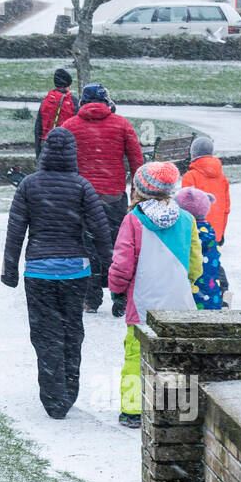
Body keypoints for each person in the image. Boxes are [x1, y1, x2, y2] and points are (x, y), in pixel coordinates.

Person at [1, 127, 114, 419]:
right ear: (72, 155)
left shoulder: (28, 185)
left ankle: (53, 398)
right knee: (71, 330)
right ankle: (69, 389)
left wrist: (10, 270)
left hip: (39, 271)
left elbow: (15, 232)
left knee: (45, 333)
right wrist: (110, 270)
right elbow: (101, 231)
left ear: (45, 152)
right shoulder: (82, 186)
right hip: (75, 272)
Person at [107, 161, 203, 429]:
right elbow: (195, 262)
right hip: (179, 301)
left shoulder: (133, 220)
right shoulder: (187, 219)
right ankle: (178, 406)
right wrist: (188, 283)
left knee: (135, 357)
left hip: (142, 302)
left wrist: (116, 290)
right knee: (177, 355)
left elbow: (122, 263)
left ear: (139, 189)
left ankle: (132, 410)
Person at [62, 83, 145, 315]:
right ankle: (119, 299)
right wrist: (134, 196)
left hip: (82, 199)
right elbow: (137, 162)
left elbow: (59, 162)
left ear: (83, 103)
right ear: (107, 102)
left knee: (86, 248)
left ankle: (90, 298)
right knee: (117, 249)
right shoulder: (122, 125)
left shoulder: (69, 127)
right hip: (113, 197)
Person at [175, 186, 227, 311]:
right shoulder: (209, 232)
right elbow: (218, 267)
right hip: (212, 297)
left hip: (187, 298)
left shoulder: (182, 234)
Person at [181, 136, 231, 245]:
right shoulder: (222, 178)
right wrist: (220, 232)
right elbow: (226, 209)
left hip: (195, 235)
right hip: (216, 234)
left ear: (193, 154)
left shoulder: (190, 177)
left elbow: (185, 209)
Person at [34, 68, 75, 158]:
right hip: (66, 146)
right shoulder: (72, 101)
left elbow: (38, 129)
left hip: (47, 145)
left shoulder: (46, 101)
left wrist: (38, 152)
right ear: (67, 85)